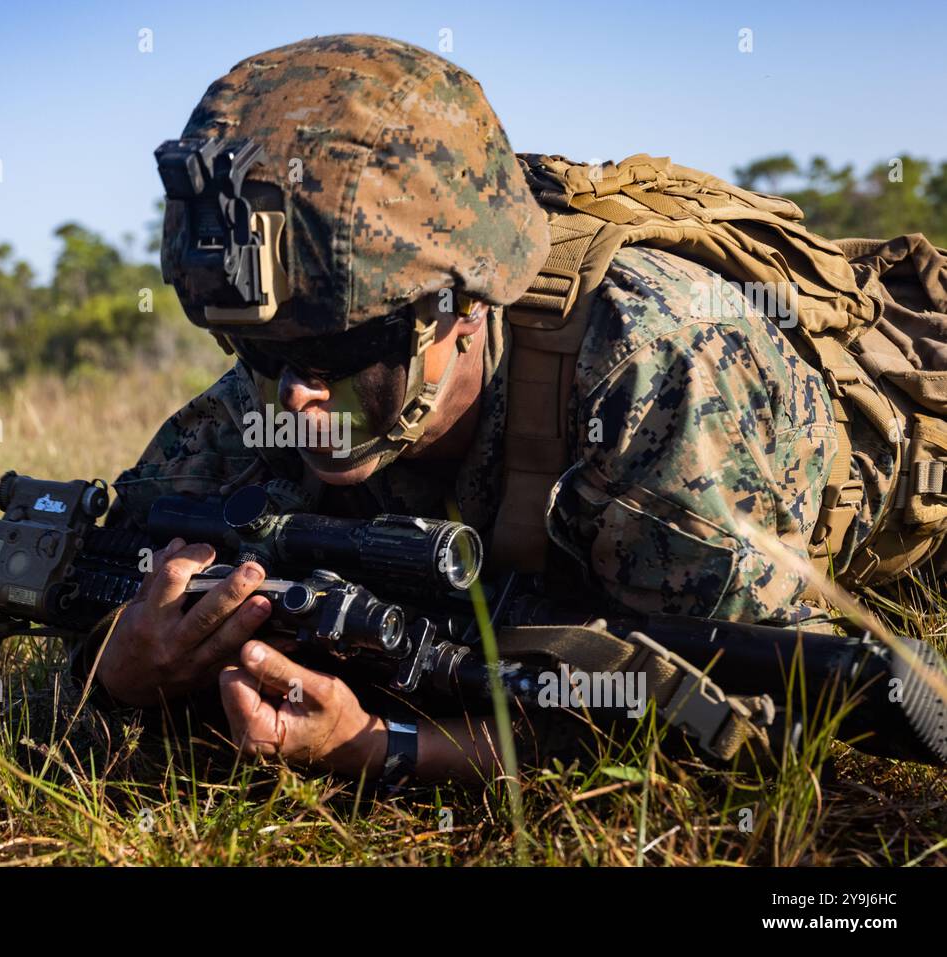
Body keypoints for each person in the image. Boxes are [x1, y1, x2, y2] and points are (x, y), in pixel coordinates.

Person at [84, 34, 897, 784]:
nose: (294, 395)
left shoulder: (650, 369)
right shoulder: (286, 382)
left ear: (463, 306)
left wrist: (379, 745)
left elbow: (758, 726)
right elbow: (106, 568)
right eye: (260, 353)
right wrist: (121, 670)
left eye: (338, 354)